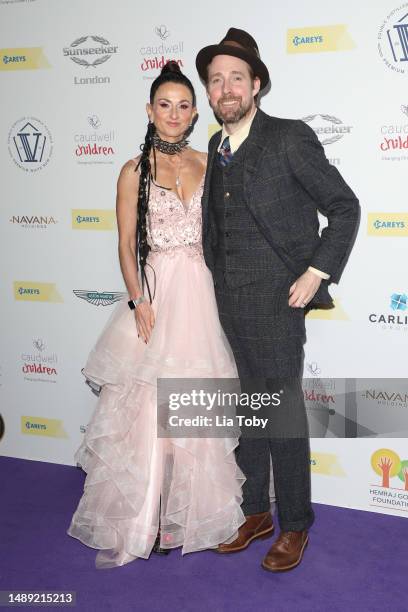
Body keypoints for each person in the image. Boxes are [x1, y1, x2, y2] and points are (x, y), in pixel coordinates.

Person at [67, 62, 246, 569]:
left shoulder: (209, 163)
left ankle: (189, 516)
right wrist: (138, 301)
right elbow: (125, 245)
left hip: (202, 293)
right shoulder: (132, 171)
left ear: (194, 115)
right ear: (150, 110)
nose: (174, 114)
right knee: (145, 409)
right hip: (156, 295)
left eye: (184, 105)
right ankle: (143, 518)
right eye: (164, 105)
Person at [195, 28, 360, 572]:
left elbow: (344, 206)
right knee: (250, 412)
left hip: (277, 303)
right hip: (228, 305)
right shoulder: (215, 150)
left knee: (282, 415)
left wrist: (316, 271)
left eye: (236, 78)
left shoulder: (289, 137)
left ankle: (294, 524)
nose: (225, 89)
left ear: (257, 85)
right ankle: (253, 512)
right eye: (216, 80)